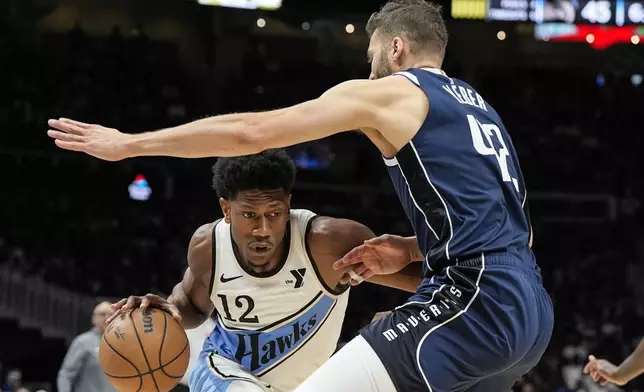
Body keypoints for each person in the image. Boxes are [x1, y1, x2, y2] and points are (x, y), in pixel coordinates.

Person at [47, 0, 555, 390]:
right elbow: (517, 228)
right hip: (532, 309)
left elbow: (250, 134)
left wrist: (130, 145)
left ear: (395, 47)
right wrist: (409, 245)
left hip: (473, 299)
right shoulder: (479, 107)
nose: (370, 62)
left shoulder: (394, 90)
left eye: (373, 51)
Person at [106, 149, 422, 392]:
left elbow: (431, 281)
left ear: (289, 205)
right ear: (226, 210)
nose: (263, 229)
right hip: (225, 370)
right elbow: (191, 306)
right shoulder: (209, 247)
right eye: (249, 214)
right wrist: (168, 308)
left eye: (274, 213)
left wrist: (415, 311)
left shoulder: (328, 243)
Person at [57, 302, 116, 392]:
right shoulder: (82, 342)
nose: (107, 318)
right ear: (93, 319)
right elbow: (66, 374)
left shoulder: (122, 343)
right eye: (102, 314)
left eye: (111, 314)